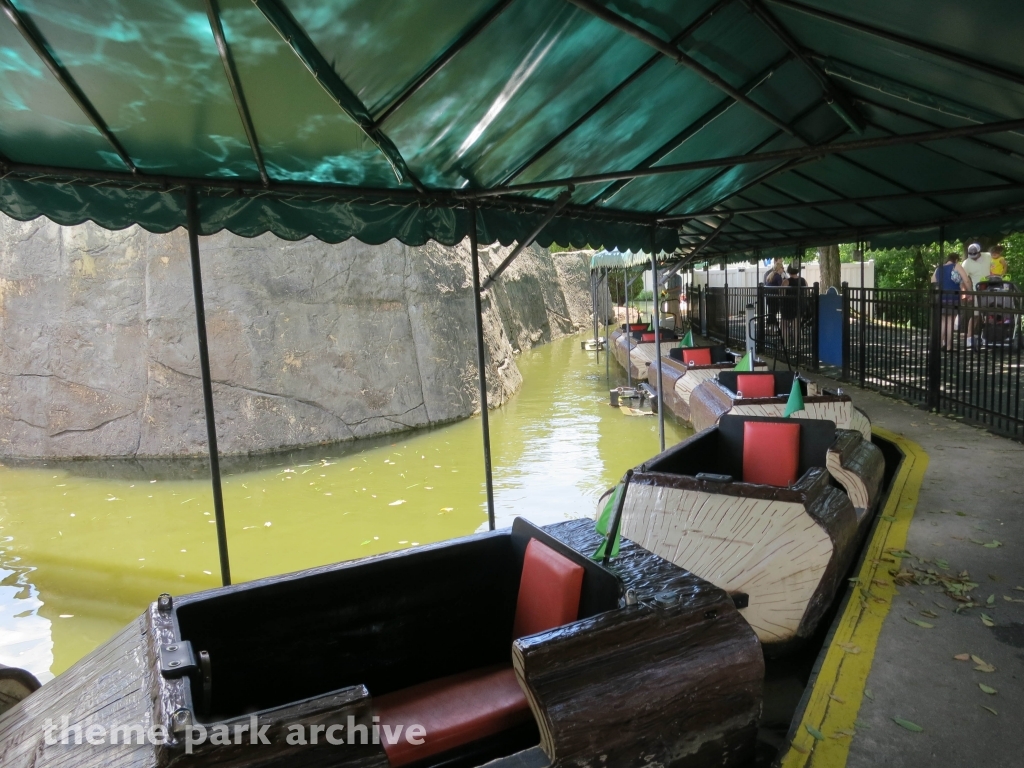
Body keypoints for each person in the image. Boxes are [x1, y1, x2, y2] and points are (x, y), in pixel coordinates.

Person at [931, 251, 969, 351]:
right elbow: (966, 280)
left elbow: (933, 281)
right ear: (956, 259)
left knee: (943, 321)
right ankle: (948, 346)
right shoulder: (956, 266)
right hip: (953, 297)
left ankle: (939, 344)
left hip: (941, 297)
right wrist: (970, 291)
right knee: (950, 322)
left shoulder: (939, 268)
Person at [961, 243, 993, 349]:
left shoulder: (988, 256)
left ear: (979, 252)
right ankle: (969, 338)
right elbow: (962, 279)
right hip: (977, 291)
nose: (973, 257)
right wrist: (965, 292)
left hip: (992, 289)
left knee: (991, 314)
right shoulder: (966, 263)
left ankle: (988, 336)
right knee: (976, 315)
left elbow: (997, 266)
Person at [780, 264, 806, 352]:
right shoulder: (803, 281)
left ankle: (786, 344)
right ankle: (797, 345)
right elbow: (806, 292)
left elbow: (782, 294)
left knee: (784, 325)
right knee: (796, 326)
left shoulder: (786, 282)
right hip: (799, 305)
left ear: (789, 271)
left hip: (788, 306)